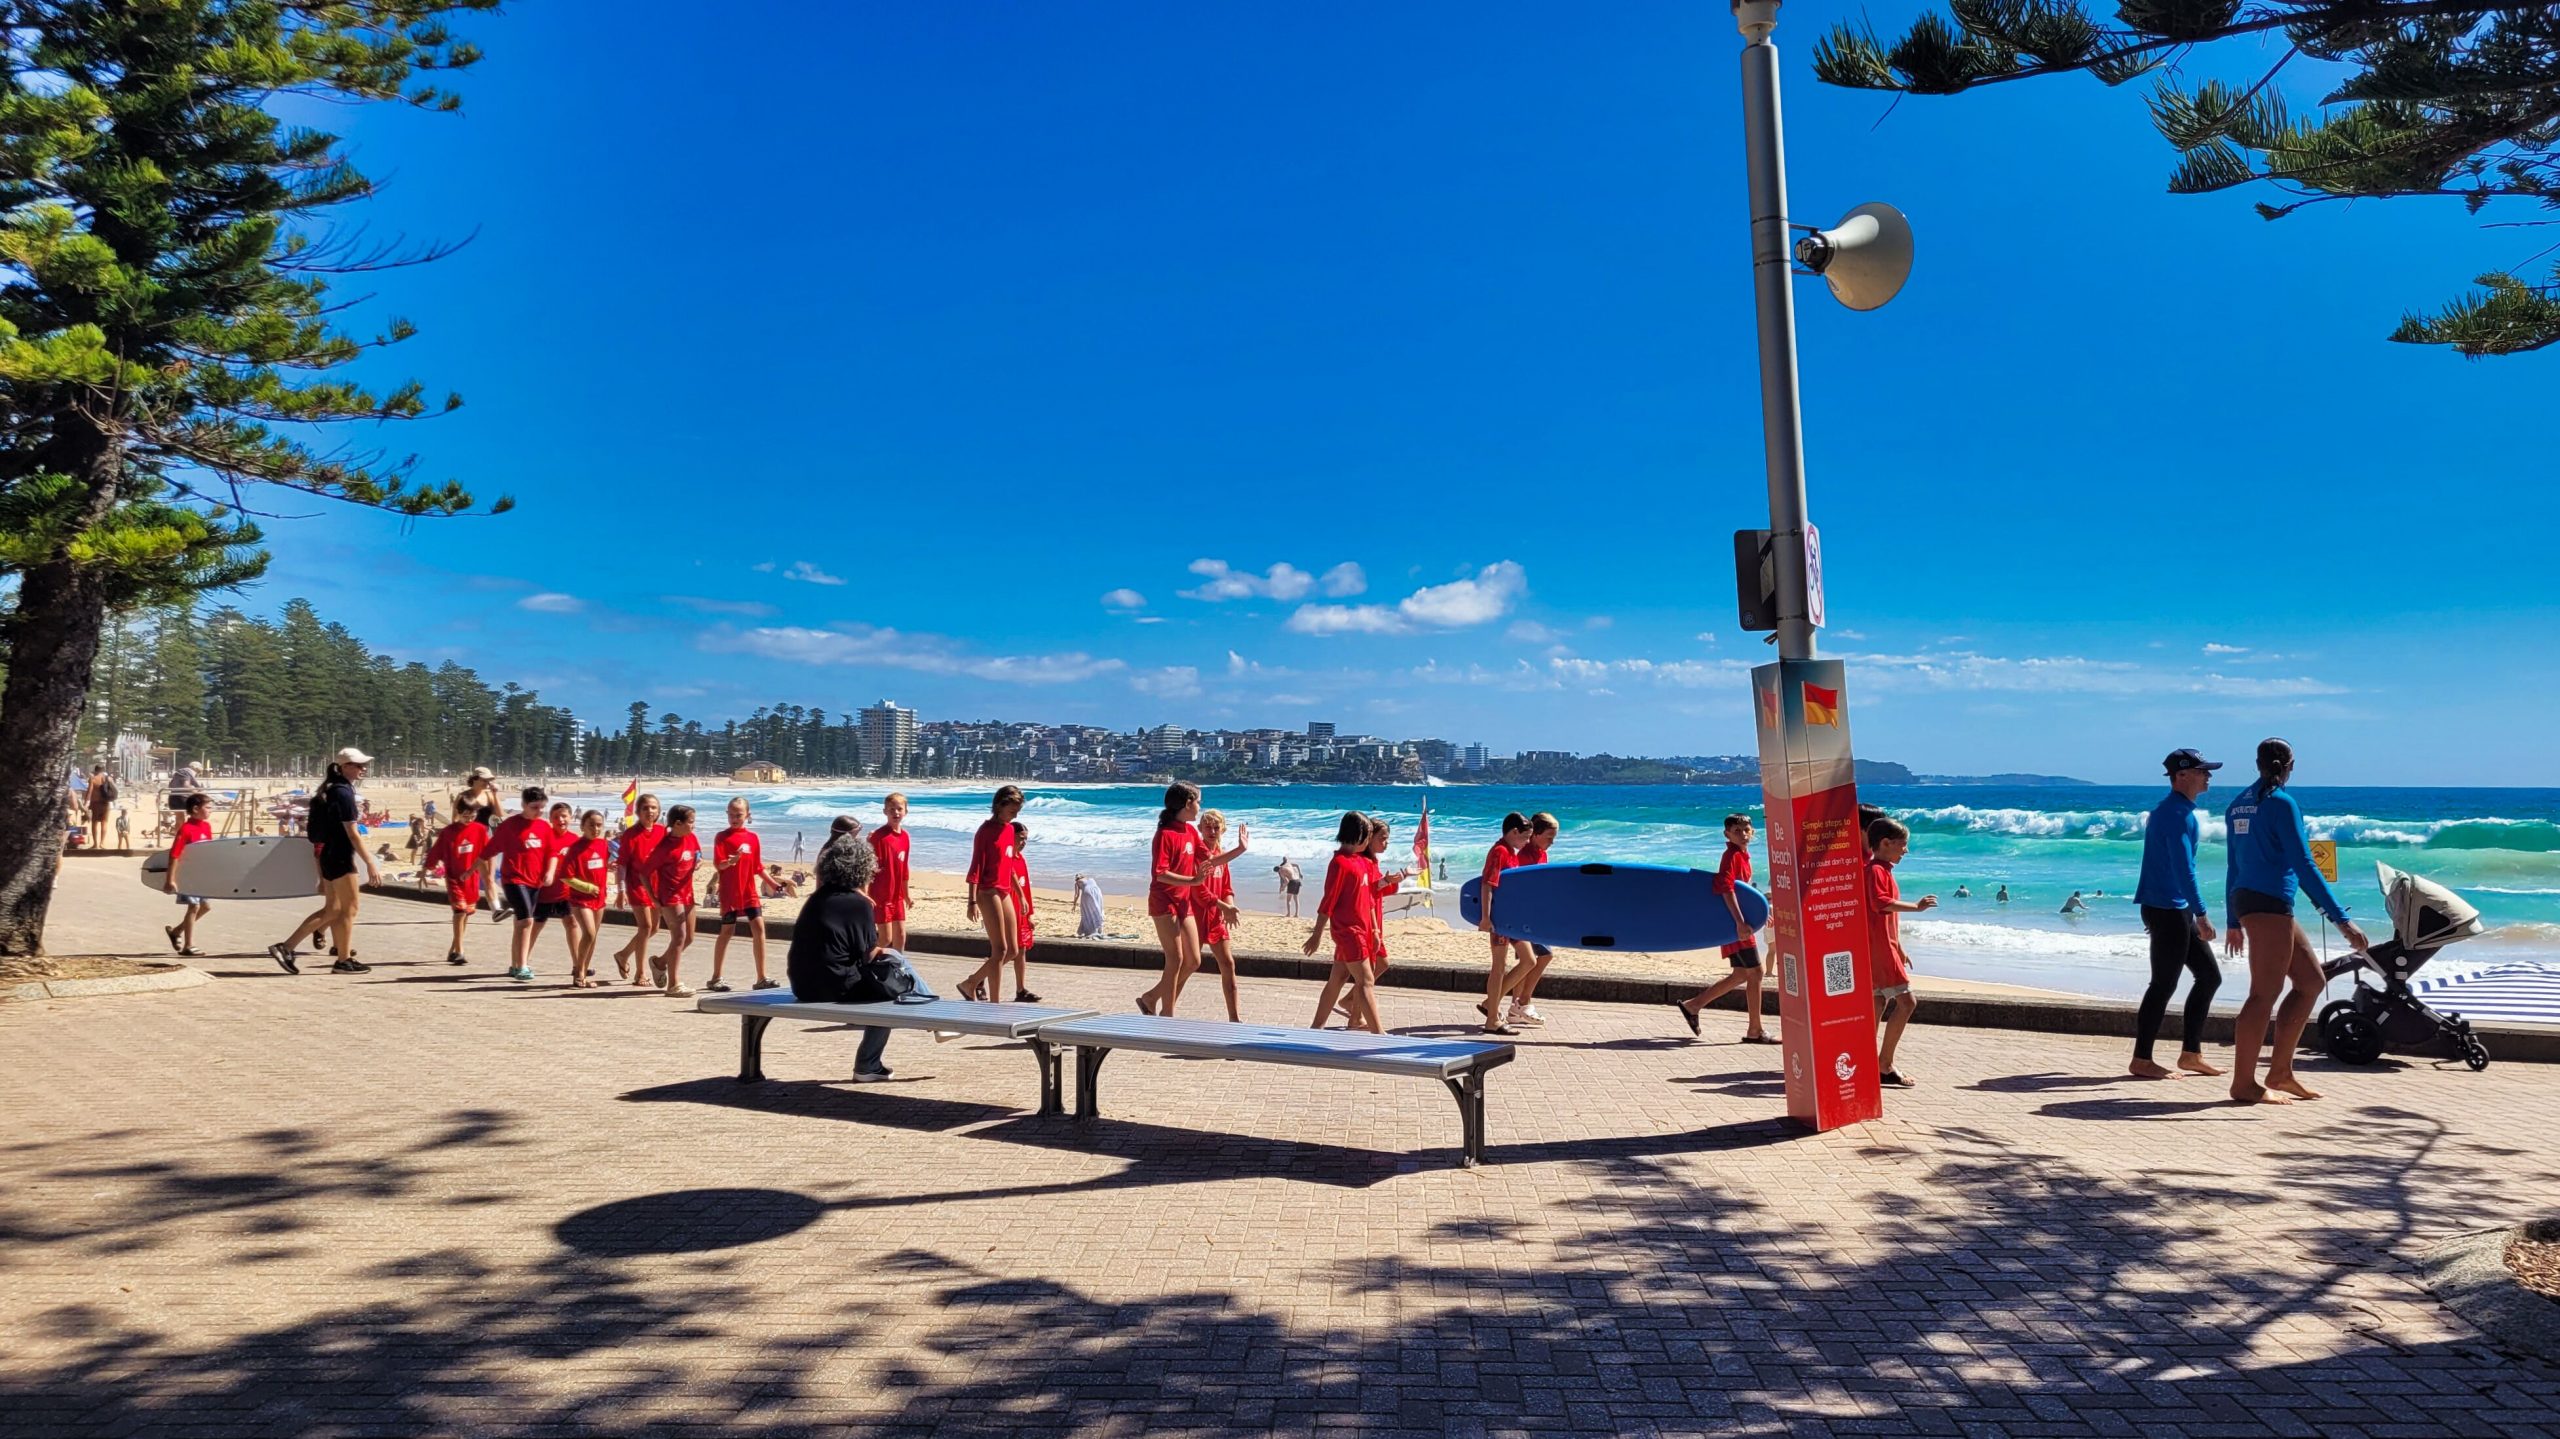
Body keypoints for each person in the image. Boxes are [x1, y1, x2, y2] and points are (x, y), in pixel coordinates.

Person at [2225, 737, 2369, 1105]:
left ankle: (2280, 1073)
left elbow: (2233, 865)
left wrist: (2232, 919)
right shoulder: (2282, 803)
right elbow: (2304, 864)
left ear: (2257, 764)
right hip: (2268, 902)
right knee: (2263, 994)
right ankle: (2243, 1084)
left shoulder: (2238, 804)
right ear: (2291, 765)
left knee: (2310, 981)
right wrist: (2342, 920)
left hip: (2252, 899)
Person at [2132, 749, 2225, 1081]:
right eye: (2202, 771)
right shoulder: (2175, 815)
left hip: (2174, 907)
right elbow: (2184, 869)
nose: (2208, 776)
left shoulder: (2177, 811)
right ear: (2182, 775)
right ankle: (2142, 1059)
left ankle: (2191, 1054)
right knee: (2163, 984)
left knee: (2209, 977)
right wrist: (2202, 914)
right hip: (2166, 909)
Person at [787, 836, 895, 1082]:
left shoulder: (816, 899)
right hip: (835, 986)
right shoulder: (858, 905)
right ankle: (867, 1064)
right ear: (863, 871)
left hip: (802, 985)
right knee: (888, 991)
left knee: (891, 966)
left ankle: (928, 1007)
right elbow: (869, 955)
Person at [267, 747, 378, 975]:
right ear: (345, 766)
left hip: (327, 853)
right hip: (340, 855)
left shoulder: (328, 789)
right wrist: (370, 862)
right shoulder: (343, 793)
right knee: (349, 908)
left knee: (333, 909)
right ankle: (341, 959)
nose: (363, 769)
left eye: (364, 765)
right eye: (359, 765)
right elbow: (352, 833)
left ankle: (289, 948)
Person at [1675, 813, 1776, 1043]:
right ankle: (1755, 1030)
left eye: (1746, 830)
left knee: (1741, 974)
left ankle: (1693, 1006)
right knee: (1756, 973)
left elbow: (1743, 891)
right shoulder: (1731, 855)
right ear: (1727, 834)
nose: (1743, 834)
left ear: (1753, 832)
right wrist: (1740, 922)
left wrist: (1762, 910)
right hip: (1735, 925)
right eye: (1737, 831)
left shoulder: (1742, 855)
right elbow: (1725, 888)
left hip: (1736, 923)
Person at [1151, 809, 1249, 1021]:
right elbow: (1199, 891)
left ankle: (1234, 1018)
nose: (1212, 831)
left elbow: (1227, 888)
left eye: (1216, 827)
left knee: (1228, 964)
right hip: (1196, 915)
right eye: (1208, 827)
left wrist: (1230, 907)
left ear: (1223, 829)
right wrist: (1223, 906)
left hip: (1216, 918)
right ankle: (1161, 1003)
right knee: (1188, 965)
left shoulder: (1220, 857)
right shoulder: (1198, 852)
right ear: (1200, 829)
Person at [1866, 817, 1936, 1089]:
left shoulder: (1881, 869)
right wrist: (1916, 907)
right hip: (1880, 949)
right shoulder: (1876, 870)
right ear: (1885, 843)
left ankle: (1869, 1063)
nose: (1905, 850)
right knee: (1907, 1002)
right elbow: (1880, 903)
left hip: (1883, 946)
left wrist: (1899, 947)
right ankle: (1884, 1064)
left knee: (1877, 1003)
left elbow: (1884, 917)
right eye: (1902, 844)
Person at [1303, 812, 1387, 1032]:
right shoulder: (1339, 864)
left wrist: (1375, 930)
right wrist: (1317, 935)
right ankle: (1380, 1034)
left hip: (1362, 929)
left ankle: (1316, 1027)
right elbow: (1328, 902)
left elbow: (1368, 898)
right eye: (1368, 834)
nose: (1369, 840)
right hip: (1348, 931)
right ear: (1357, 834)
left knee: (1338, 978)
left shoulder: (1360, 861)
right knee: (1366, 980)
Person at [1137, 783, 1209, 1016]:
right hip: (1164, 901)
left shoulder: (1191, 832)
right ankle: (1167, 1013)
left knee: (1193, 960)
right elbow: (1160, 873)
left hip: (1183, 901)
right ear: (1188, 803)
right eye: (1198, 802)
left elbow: (1209, 858)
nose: (1200, 806)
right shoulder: (1165, 834)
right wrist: (1193, 881)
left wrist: (1240, 849)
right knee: (1175, 958)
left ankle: (1151, 997)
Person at [485, 787, 559, 983]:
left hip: (535, 881)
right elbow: (490, 849)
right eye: (534, 807)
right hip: (513, 879)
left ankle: (515, 964)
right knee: (527, 921)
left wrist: (550, 872)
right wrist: (471, 870)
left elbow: (552, 852)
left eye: (542, 808)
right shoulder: (510, 825)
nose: (539, 811)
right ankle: (523, 966)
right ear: (523, 805)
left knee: (520, 922)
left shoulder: (544, 827)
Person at [959, 786, 1025, 1002]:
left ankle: (971, 982)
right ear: (999, 806)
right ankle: (994, 1003)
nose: (1015, 816)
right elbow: (975, 866)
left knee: (1013, 950)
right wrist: (972, 901)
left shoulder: (1009, 830)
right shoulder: (985, 831)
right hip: (987, 890)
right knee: (1000, 950)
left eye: (1017, 812)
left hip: (1004, 890)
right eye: (1012, 811)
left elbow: (1009, 865)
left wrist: (1020, 895)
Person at [705, 797, 777, 992]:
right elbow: (719, 865)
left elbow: (757, 866)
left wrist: (773, 883)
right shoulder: (722, 837)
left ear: (747, 815)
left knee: (759, 928)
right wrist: (731, 861)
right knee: (727, 931)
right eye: (731, 814)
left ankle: (761, 977)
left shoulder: (753, 838)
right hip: (730, 893)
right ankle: (715, 977)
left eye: (738, 815)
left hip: (749, 892)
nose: (734, 818)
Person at [1500, 811, 1563, 1028]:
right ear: (1535, 834)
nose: (1552, 842)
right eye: (1549, 837)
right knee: (1543, 955)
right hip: (1524, 917)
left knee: (1528, 961)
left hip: (1536, 915)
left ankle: (1516, 1008)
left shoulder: (1541, 854)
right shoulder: (1524, 856)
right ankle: (1522, 1002)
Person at [1475, 813, 1535, 1037]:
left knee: (1529, 960)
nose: (1527, 842)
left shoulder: (1511, 852)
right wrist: (1485, 917)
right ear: (1514, 832)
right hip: (1499, 920)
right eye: (1525, 837)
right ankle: (1492, 1020)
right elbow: (1487, 885)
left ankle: (1491, 1002)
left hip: (1512, 920)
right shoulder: (1499, 851)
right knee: (1499, 967)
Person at [423, 802, 494, 966]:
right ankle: (460, 951)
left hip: (472, 877)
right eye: (465, 816)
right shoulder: (448, 832)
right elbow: (436, 851)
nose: (469, 819)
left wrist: (489, 874)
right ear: (458, 813)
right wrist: (426, 868)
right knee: (459, 911)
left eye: (472, 816)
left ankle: (453, 950)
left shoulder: (480, 830)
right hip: (454, 877)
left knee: (466, 913)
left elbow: (487, 852)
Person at [649, 804, 705, 996]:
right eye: (691, 822)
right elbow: (644, 872)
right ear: (678, 824)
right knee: (679, 937)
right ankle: (673, 984)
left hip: (687, 893)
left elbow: (697, 853)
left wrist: (698, 861)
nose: (694, 825)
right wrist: (653, 898)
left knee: (688, 938)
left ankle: (660, 962)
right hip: (670, 895)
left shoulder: (691, 838)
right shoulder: (664, 847)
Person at [613, 794, 667, 986]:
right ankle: (640, 973)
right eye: (645, 808)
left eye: (653, 807)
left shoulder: (662, 831)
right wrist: (621, 890)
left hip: (657, 886)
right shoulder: (631, 834)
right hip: (637, 885)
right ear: (638, 811)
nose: (650, 811)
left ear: (658, 811)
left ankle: (623, 954)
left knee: (654, 928)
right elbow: (621, 865)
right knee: (645, 927)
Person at [560, 810, 614, 988]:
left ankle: (583, 972)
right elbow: (565, 876)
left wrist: (611, 866)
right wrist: (588, 887)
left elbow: (602, 863)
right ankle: (578, 972)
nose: (595, 828)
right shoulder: (575, 848)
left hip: (599, 898)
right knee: (589, 933)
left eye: (599, 825)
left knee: (593, 937)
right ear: (582, 826)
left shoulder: (603, 844)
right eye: (591, 825)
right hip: (580, 899)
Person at [163, 792, 214, 957]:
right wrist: (170, 879)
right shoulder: (186, 829)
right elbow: (174, 854)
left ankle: (176, 931)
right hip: (187, 875)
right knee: (194, 906)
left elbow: (208, 852)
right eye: (208, 807)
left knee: (205, 907)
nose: (211, 810)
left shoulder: (206, 827)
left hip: (201, 875)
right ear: (196, 809)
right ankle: (188, 946)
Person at [531, 799, 578, 971]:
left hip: (566, 892)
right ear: (550, 819)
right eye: (556, 817)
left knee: (572, 924)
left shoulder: (575, 840)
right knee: (536, 926)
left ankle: (578, 964)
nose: (561, 820)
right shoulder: (545, 837)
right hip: (544, 892)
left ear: (571, 817)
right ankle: (521, 961)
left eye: (564, 816)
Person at [866, 792, 912, 954]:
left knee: (901, 935)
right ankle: (863, 962)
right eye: (891, 809)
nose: (896, 813)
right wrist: (865, 894)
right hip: (881, 895)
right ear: (885, 811)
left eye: (899, 809)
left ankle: (898, 965)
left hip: (896, 895)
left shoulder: (905, 836)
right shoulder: (878, 837)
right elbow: (868, 868)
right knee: (886, 939)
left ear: (906, 811)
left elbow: (904, 868)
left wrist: (906, 895)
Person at [1007, 820, 1042, 1003]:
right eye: (1020, 838)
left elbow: (1026, 888)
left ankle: (1020, 989)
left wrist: (1030, 914)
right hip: (1008, 909)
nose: (1023, 842)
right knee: (1009, 951)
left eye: (1026, 839)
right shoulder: (1006, 858)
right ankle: (979, 977)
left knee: (1021, 950)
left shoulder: (1021, 859)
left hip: (1021, 911)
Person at [86, 765, 116, 842]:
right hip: (106, 803)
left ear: (95, 770)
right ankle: (102, 843)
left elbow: (89, 791)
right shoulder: (108, 778)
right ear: (103, 770)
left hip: (95, 803)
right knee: (104, 822)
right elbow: (114, 789)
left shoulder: (93, 779)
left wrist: (86, 803)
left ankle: (95, 844)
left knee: (94, 823)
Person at [1074, 872, 1106, 939]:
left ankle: (1089, 930)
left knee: (1087, 912)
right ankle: (1098, 929)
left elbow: (1077, 895)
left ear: (1076, 879)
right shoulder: (1091, 879)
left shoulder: (1077, 882)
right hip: (1098, 892)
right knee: (1097, 909)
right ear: (1083, 876)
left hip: (1087, 893)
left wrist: (1074, 904)